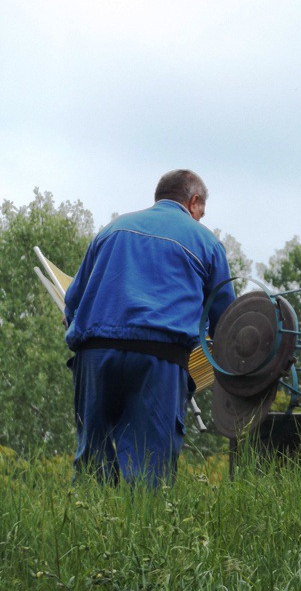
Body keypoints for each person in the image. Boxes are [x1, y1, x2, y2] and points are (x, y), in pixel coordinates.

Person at [64, 170, 235, 485]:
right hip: (158, 359)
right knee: (148, 469)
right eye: (201, 213)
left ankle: (86, 529)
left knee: (91, 463)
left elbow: (72, 303)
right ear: (194, 201)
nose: (199, 219)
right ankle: (138, 532)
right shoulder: (205, 242)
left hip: (94, 354)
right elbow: (226, 322)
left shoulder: (111, 230)